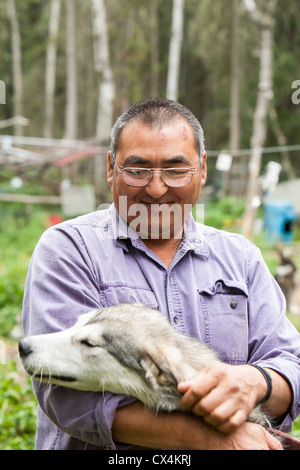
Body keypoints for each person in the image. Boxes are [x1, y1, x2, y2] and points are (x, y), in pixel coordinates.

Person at [22, 98, 300, 450]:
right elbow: (63, 394)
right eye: (137, 170)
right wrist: (211, 440)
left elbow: (291, 363)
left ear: (201, 170)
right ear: (111, 168)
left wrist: (256, 382)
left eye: (175, 170)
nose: (156, 188)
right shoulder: (70, 248)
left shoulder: (241, 258)